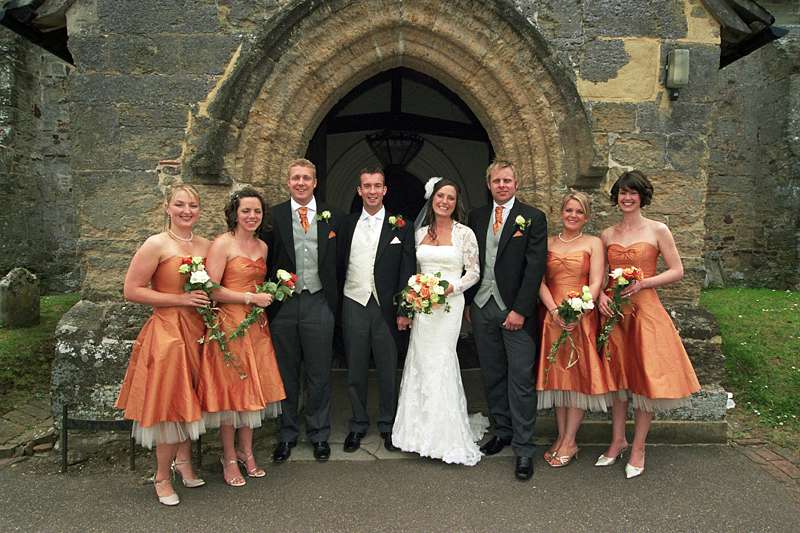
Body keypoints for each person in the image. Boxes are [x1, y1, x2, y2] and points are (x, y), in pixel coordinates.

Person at [596, 170, 700, 479]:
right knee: (617, 381)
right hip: (615, 314)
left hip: (646, 312)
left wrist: (644, 283)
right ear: (617, 197)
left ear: (642, 197)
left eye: (633, 193)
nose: (627, 198)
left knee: (645, 380)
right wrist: (601, 293)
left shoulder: (658, 230)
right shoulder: (607, 235)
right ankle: (617, 440)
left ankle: (639, 446)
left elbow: (678, 271)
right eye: (622, 193)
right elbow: (601, 275)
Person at [115, 184, 209, 506]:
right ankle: (161, 476)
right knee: (170, 402)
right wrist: (179, 299)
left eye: (193, 205)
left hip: (197, 331)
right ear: (167, 207)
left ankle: (183, 463)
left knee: (188, 398)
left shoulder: (206, 245)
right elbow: (132, 290)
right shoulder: (155, 244)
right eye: (180, 204)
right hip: (168, 333)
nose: (187, 211)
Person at [392, 178, 486, 465]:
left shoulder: (465, 233)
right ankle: (417, 432)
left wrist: (450, 288)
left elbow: (474, 272)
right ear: (432, 199)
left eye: (451, 198)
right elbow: (413, 270)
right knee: (420, 360)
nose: (445, 201)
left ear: (456, 203)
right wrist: (415, 296)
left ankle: (446, 433)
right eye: (440, 196)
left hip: (449, 306)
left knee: (442, 359)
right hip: (423, 307)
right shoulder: (419, 233)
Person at [197, 188, 285, 487]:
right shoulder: (222, 244)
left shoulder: (262, 247)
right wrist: (250, 297)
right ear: (235, 213)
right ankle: (229, 457)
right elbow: (212, 290)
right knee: (231, 395)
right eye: (246, 210)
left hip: (256, 327)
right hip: (230, 325)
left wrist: (267, 296)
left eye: (257, 211)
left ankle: (247, 452)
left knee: (252, 393)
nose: (252, 216)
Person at [466, 160, 547, 481]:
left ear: (516, 183)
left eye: (507, 180)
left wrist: (520, 310)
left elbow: (534, 268)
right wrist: (472, 303)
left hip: (515, 310)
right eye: (497, 180)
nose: (502, 185)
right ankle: (502, 431)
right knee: (492, 374)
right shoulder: (477, 216)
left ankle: (525, 448)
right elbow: (472, 263)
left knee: (520, 381)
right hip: (483, 307)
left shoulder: (533, 218)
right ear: (488, 184)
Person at [264, 159, 340, 463]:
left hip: (319, 301)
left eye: (306, 178)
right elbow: (266, 259)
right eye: (296, 178)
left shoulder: (333, 216)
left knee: (319, 372)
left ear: (315, 182)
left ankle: (319, 434)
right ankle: (287, 434)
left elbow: (340, 260)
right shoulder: (275, 216)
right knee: (286, 373)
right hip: (285, 304)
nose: (301, 183)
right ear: (288, 182)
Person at [337, 168, 415, 453]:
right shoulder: (346, 224)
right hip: (353, 302)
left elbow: (408, 270)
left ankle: (388, 425)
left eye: (377, 186)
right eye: (366, 186)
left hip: (386, 307)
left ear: (385, 190)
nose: (372, 191)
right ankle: (357, 424)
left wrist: (405, 309)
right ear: (359, 190)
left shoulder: (401, 227)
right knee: (355, 368)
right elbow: (337, 264)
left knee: (387, 369)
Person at [535, 190, 612, 468]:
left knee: (577, 378)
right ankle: (561, 436)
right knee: (558, 379)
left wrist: (578, 310)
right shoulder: (547, 242)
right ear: (561, 212)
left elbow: (595, 282)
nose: (573, 215)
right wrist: (555, 311)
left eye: (579, 211)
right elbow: (539, 280)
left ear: (586, 216)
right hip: (553, 315)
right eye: (569, 210)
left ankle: (570, 439)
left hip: (581, 316)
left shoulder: (593, 243)